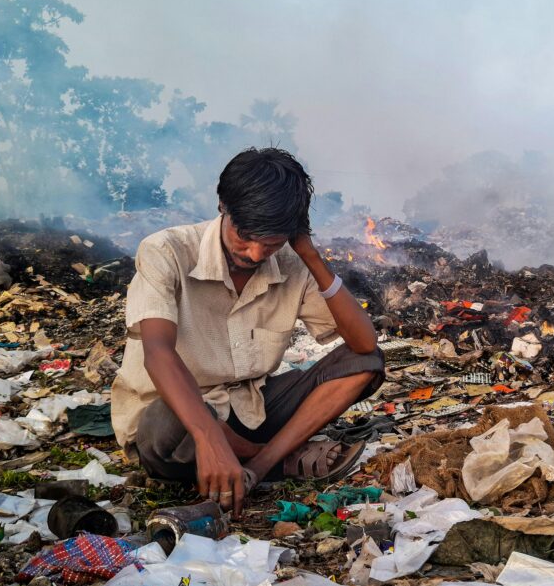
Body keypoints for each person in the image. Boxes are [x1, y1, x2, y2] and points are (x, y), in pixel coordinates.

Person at [111, 148, 385, 518]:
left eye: (271, 243)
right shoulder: (167, 251)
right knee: (165, 420)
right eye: (245, 236)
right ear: (223, 206)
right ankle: (269, 457)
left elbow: (364, 343)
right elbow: (158, 353)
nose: (255, 254)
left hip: (250, 411)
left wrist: (309, 255)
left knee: (364, 361)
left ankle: (262, 465)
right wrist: (209, 437)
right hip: (179, 425)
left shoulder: (290, 261)